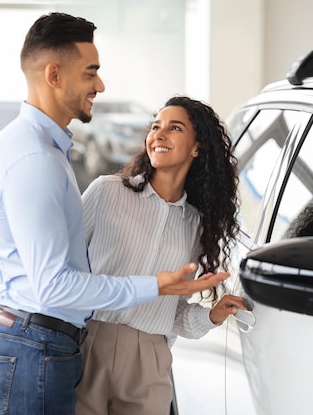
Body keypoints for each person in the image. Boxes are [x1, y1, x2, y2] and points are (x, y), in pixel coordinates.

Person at [0, 13, 229, 415]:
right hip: (71, 340)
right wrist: (154, 285)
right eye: (90, 72)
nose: (101, 85)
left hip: (121, 351)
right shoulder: (57, 167)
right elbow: (53, 283)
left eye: (175, 128)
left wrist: (10, 251)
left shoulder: (48, 151)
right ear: (55, 75)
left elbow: (52, 254)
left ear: (199, 147)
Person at [73, 95, 245, 415]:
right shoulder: (106, 191)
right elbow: (64, 265)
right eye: (156, 126)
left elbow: (175, 313)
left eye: (174, 128)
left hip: (150, 357)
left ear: (197, 147)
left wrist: (212, 315)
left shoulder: (196, 225)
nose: (159, 134)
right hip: (90, 341)